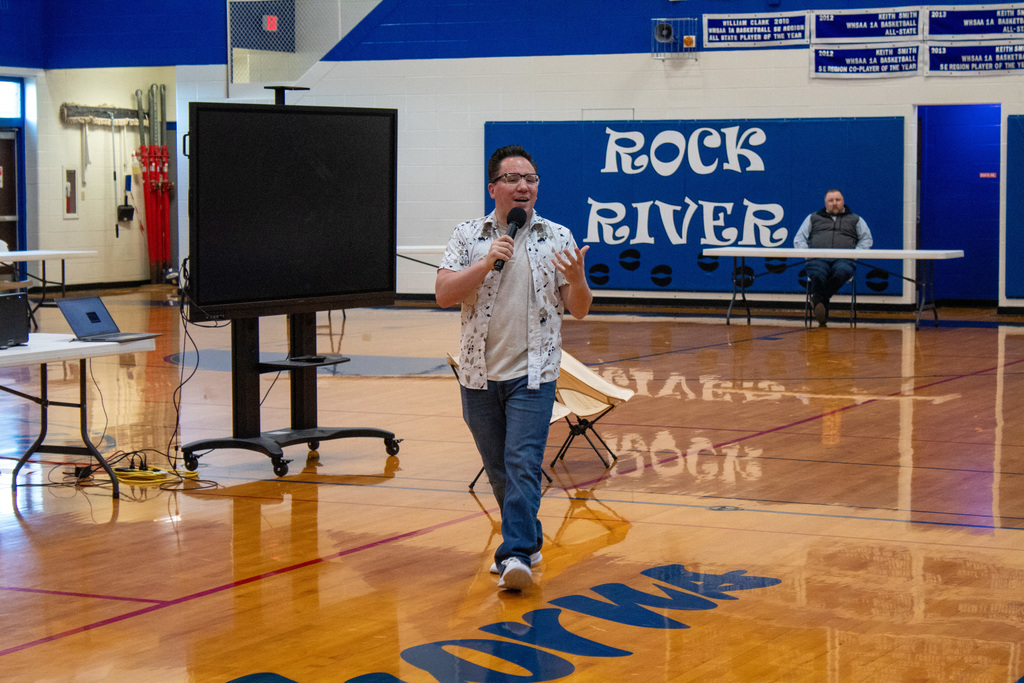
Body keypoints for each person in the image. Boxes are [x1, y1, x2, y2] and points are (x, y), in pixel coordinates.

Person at [436, 144, 592, 591]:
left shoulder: (558, 236)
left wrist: (579, 281)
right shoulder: (469, 235)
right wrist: (487, 262)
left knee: (522, 462)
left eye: (531, 179)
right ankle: (530, 539)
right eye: (513, 178)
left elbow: (578, 309)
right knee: (500, 467)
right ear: (494, 188)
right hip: (478, 375)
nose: (524, 186)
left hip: (534, 374)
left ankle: (515, 554)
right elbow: (444, 294)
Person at [793, 188, 872, 326]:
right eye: (831, 200)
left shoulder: (856, 219)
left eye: (838, 200)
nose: (834, 203)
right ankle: (821, 303)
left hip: (844, 259)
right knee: (817, 275)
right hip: (817, 259)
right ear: (825, 203)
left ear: (843, 202)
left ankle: (818, 299)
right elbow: (799, 239)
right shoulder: (813, 218)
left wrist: (855, 254)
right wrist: (808, 255)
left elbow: (866, 239)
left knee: (842, 272)